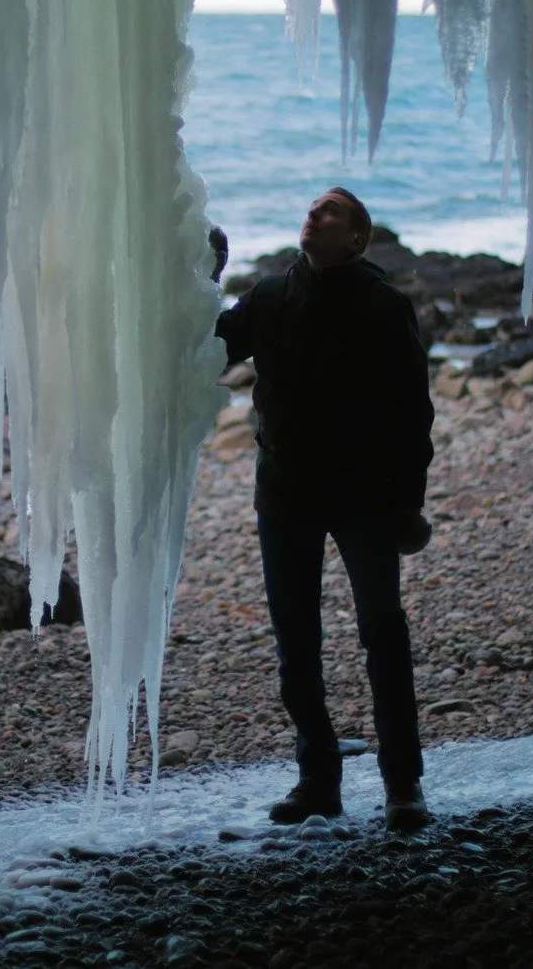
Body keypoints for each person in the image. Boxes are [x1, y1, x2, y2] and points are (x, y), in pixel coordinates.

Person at [213, 188, 435, 833]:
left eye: (332, 211)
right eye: (313, 208)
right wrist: (198, 276)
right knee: (295, 644)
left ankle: (403, 784)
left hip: (365, 494)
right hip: (284, 490)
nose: (315, 215)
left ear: (357, 238)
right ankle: (318, 780)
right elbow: (209, 348)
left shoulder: (383, 306)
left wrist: (406, 504)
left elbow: (412, 412)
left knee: (383, 634)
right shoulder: (269, 298)